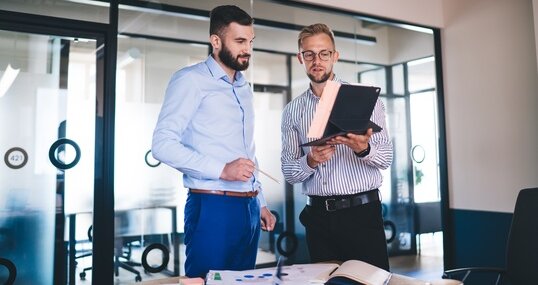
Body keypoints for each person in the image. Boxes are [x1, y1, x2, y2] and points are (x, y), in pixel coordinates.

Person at [152, 5, 276, 278]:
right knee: (206, 282)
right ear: (216, 41)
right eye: (240, 41)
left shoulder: (244, 88)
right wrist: (222, 169)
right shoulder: (190, 80)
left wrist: (261, 201)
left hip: (250, 208)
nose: (248, 49)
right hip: (212, 207)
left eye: (251, 41)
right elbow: (162, 144)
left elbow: (246, 152)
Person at [281, 23, 393, 270]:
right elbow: (289, 172)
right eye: (309, 54)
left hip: (362, 214)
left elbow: (385, 158)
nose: (316, 60)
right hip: (318, 219)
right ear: (301, 57)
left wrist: (363, 148)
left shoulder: (366, 99)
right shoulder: (292, 111)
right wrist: (310, 161)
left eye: (324, 53)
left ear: (335, 56)